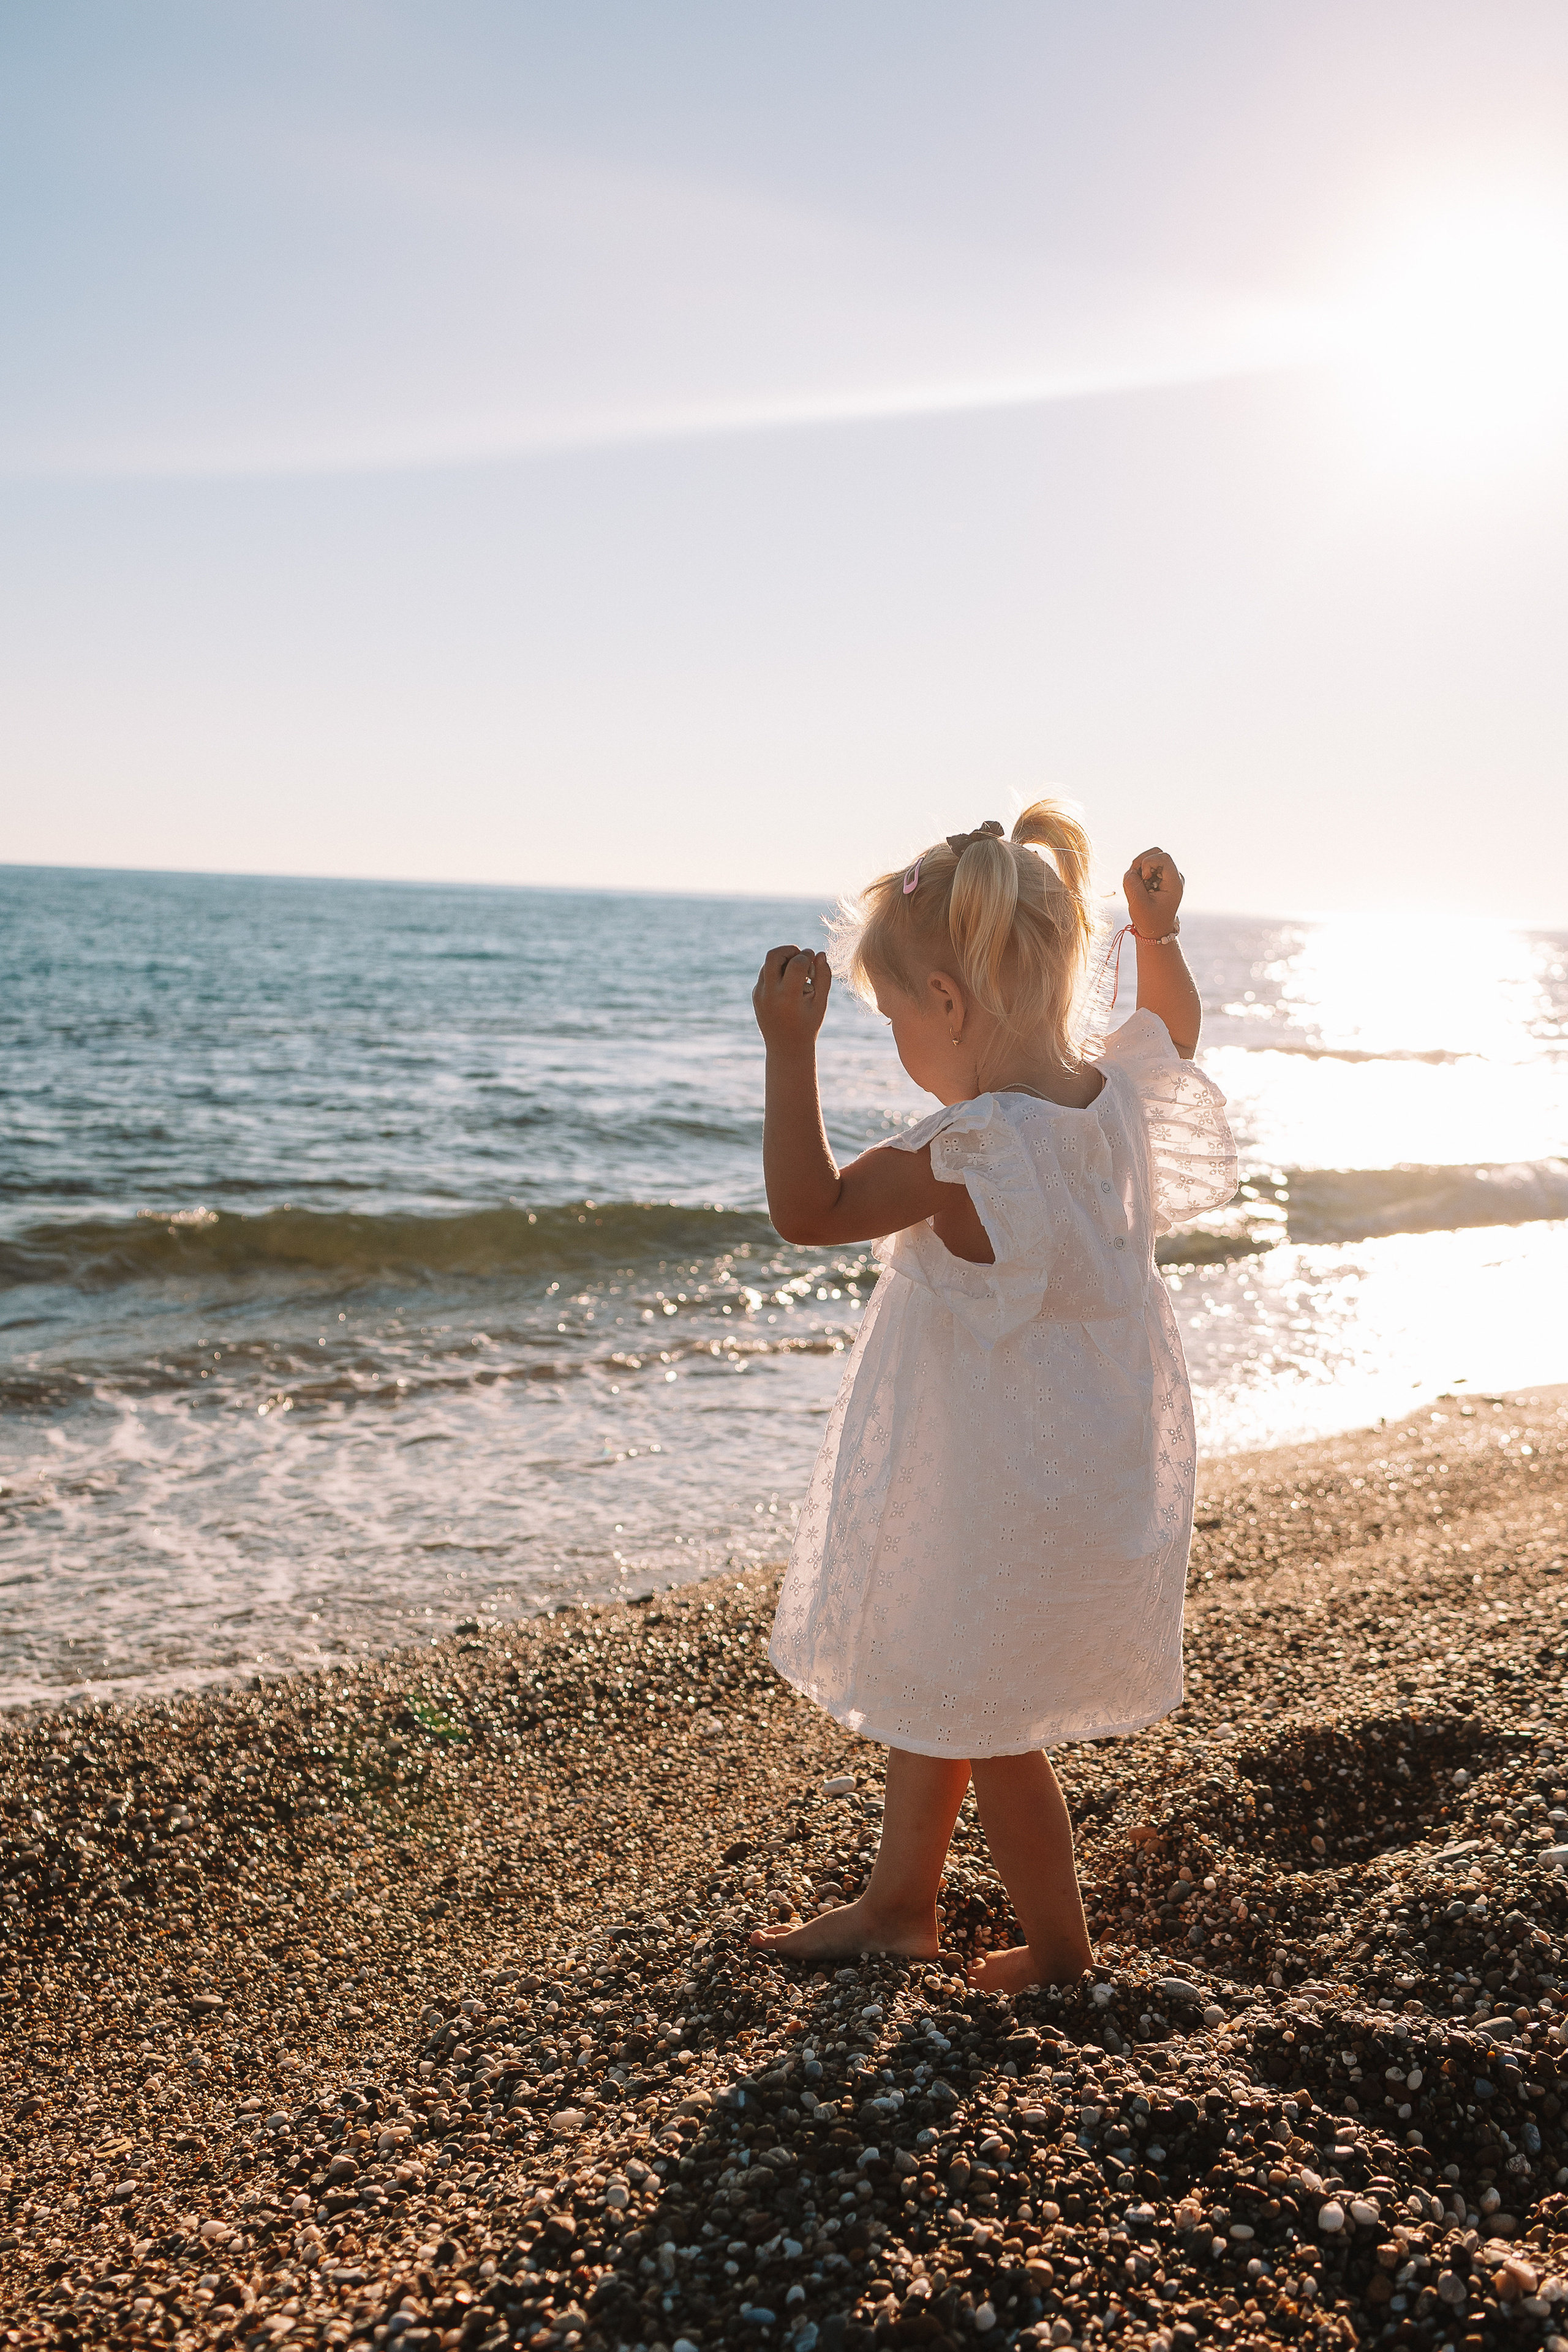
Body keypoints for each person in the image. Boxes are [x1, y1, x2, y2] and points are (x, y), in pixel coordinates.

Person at [748, 802, 1237, 1991]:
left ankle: (1064, 1959)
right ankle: (898, 1904)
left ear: (951, 1007)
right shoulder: (1112, 1101)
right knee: (947, 1676)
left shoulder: (971, 1150)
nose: (899, 1044)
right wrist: (1154, 931)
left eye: (894, 1018)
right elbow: (1169, 1026)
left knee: (997, 1729)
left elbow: (807, 1211)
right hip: (1089, 1455)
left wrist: (786, 1049)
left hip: (999, 1478)